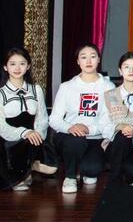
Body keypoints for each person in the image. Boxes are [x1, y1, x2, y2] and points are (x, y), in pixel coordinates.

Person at [0, 47, 58, 191]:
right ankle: (21, 173)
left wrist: (38, 134)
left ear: (28, 66)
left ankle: (29, 166)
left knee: (52, 168)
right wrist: (24, 132)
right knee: (16, 182)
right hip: (8, 141)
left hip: (33, 138)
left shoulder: (36, 90)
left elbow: (42, 118)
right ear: (5, 67)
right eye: (12, 64)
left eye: (22, 63)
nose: (17, 68)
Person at [49, 42, 114, 193]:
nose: (88, 61)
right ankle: (70, 177)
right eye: (83, 57)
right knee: (76, 141)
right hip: (69, 137)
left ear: (99, 59)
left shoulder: (109, 86)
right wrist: (70, 127)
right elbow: (54, 119)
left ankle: (82, 167)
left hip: (94, 137)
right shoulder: (66, 86)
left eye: (93, 56)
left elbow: (109, 119)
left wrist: (88, 129)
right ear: (78, 61)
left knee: (92, 170)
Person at [102, 51, 133, 186]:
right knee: (122, 136)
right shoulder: (110, 95)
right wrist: (119, 127)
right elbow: (103, 125)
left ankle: (119, 177)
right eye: (126, 67)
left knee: (132, 170)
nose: (131, 70)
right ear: (120, 71)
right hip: (114, 145)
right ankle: (114, 180)